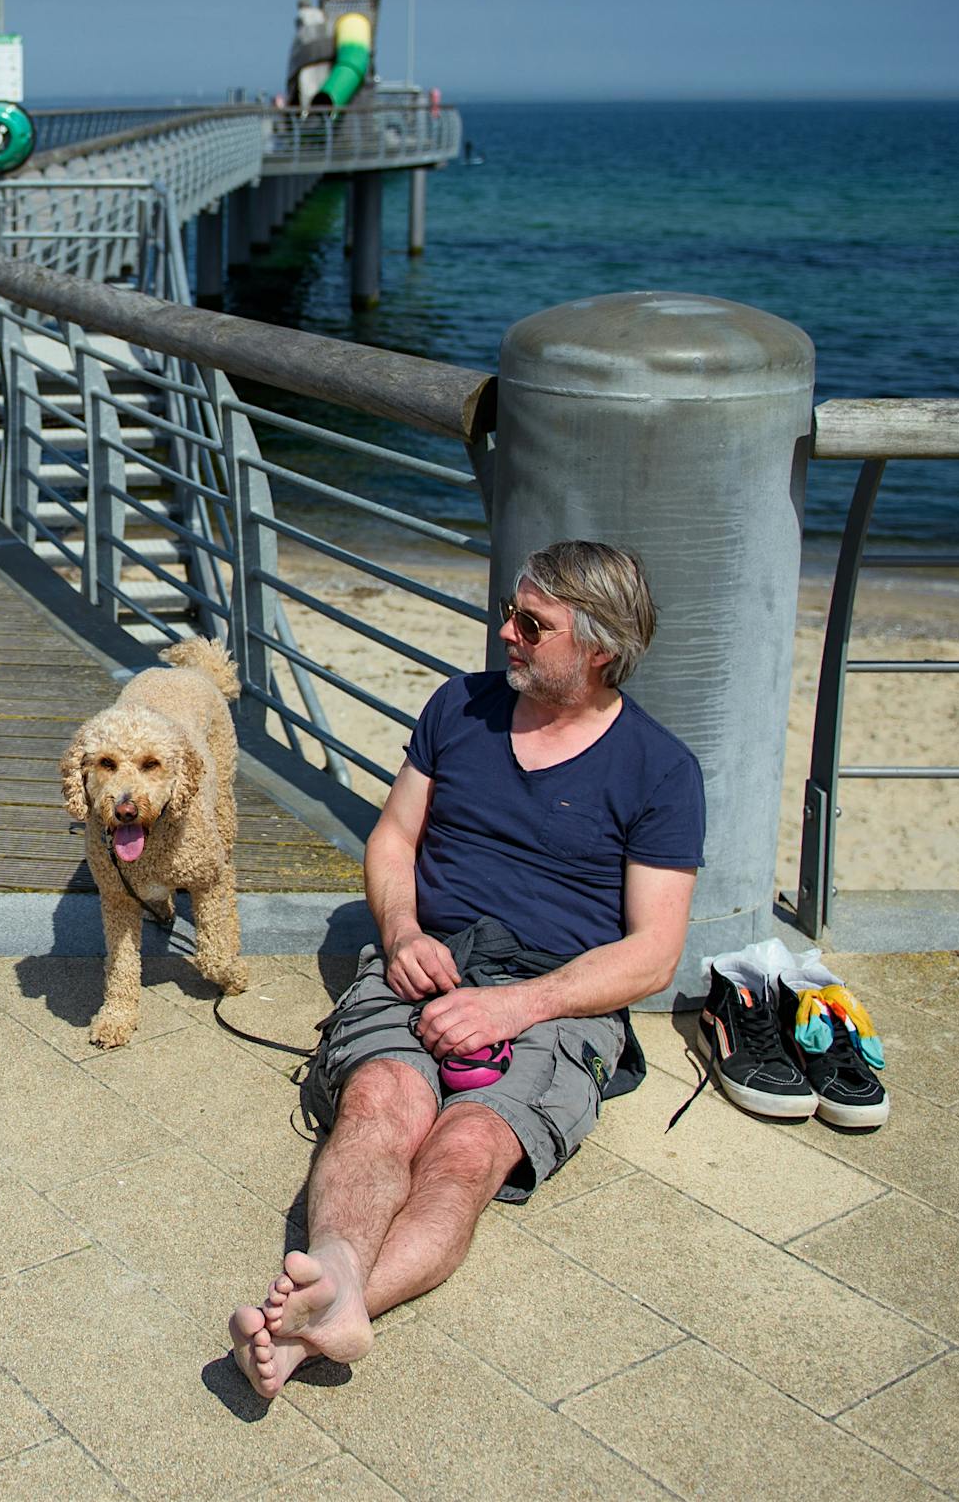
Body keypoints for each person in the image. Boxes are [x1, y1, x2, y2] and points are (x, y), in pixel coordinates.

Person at [229, 540, 704, 1399]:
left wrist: (516, 1008)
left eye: (531, 623)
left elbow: (653, 955)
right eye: (509, 612)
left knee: (469, 1148)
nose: (506, 633)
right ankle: (331, 1272)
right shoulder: (460, 708)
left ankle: (323, 1316)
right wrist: (403, 932)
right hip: (432, 957)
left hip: (560, 991)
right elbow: (394, 839)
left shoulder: (661, 770)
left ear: (598, 649)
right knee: (382, 1102)